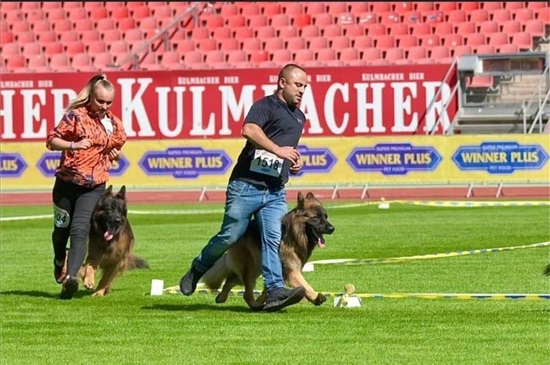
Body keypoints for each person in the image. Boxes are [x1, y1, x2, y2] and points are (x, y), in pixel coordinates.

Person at [180, 64, 309, 312]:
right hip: (245, 186)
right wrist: (279, 150)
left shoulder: (299, 117)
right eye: (298, 84)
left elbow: (283, 150)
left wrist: (292, 161)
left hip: (274, 190)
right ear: (282, 83)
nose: (302, 90)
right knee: (229, 235)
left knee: (273, 239)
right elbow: (248, 130)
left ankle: (273, 290)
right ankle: (197, 268)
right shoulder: (265, 106)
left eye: (305, 86)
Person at [46, 74, 126, 300]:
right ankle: (59, 260)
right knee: (61, 232)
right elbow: (52, 140)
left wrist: (116, 155)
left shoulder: (114, 124)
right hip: (66, 184)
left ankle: (71, 278)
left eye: (109, 102)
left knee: (79, 230)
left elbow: (115, 151)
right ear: (91, 97)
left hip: (94, 186)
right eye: (100, 101)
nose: (104, 106)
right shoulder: (75, 116)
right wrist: (74, 144)